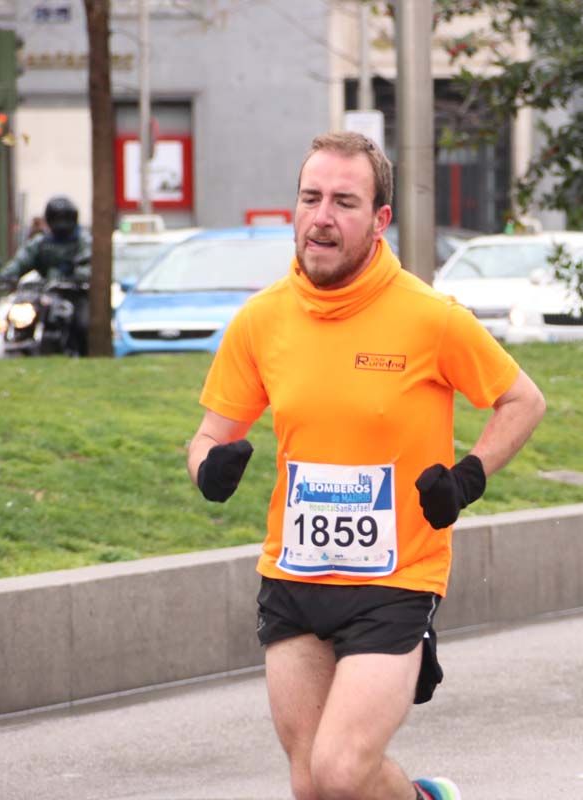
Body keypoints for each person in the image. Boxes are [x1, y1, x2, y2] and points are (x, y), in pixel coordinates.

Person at [186, 131, 545, 800]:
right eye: (310, 198)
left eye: (344, 202)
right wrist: (210, 466)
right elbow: (209, 433)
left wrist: (467, 478)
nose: (321, 217)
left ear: (380, 220)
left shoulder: (428, 317)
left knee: (342, 770)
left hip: (396, 576)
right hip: (293, 575)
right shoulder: (261, 321)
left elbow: (523, 400)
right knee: (309, 784)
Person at [0, 196, 93, 353]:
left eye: (65, 218)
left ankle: (82, 354)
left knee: (83, 324)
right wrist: (7, 275)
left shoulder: (83, 240)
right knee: (19, 316)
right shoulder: (41, 242)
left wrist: (78, 275)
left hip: (74, 293)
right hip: (45, 292)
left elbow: (88, 262)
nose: (61, 223)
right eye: (57, 218)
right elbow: (22, 260)